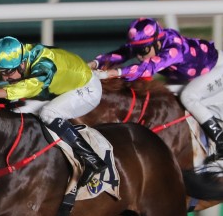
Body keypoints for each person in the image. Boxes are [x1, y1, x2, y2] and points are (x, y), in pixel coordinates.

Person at [0, 36, 106, 187]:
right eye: (1, 71)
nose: (4, 77)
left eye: (7, 72)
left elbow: (29, 87)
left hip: (86, 88)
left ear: (21, 64)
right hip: (60, 88)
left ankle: (92, 160)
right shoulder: (17, 59)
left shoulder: (45, 64)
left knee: (48, 113)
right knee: (17, 112)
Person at [91, 17, 223, 155]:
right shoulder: (150, 43)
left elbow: (147, 68)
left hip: (216, 69)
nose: (139, 56)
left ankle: (219, 139)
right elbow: (122, 53)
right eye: (136, 50)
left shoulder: (174, 48)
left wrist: (115, 72)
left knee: (188, 97)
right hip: (190, 76)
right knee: (164, 96)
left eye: (143, 50)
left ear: (158, 43)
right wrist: (95, 63)